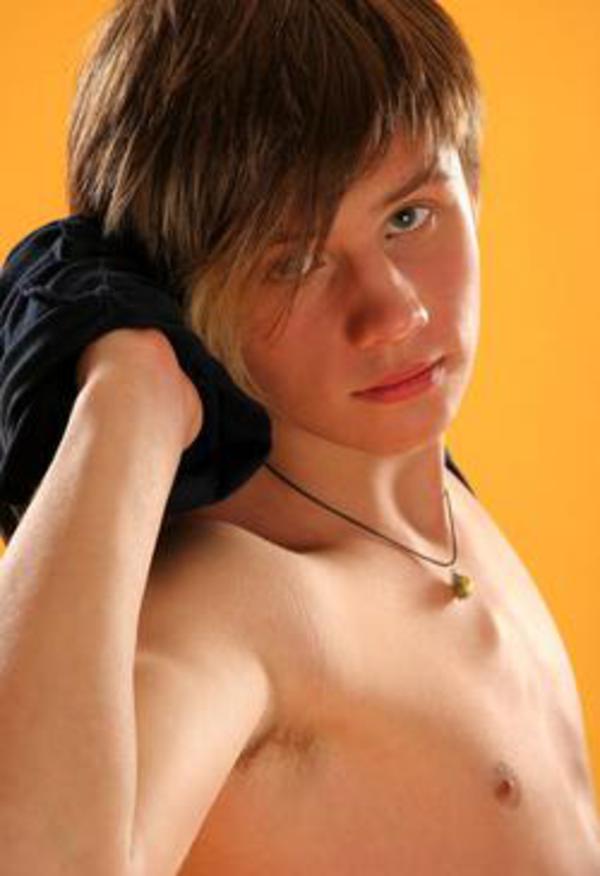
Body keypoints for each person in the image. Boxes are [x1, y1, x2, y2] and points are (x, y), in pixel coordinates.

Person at [0, 1, 598, 874]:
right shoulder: (234, 607)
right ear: (181, 294)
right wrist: (128, 395)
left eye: (408, 217)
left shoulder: (426, 491)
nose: (393, 313)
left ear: (471, 185)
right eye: (292, 261)